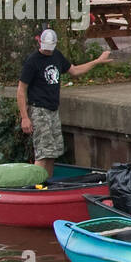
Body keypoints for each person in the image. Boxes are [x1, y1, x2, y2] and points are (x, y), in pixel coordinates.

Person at [17, 29, 112, 175]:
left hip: (53, 110)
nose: (48, 52)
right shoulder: (32, 61)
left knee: (53, 152)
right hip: (39, 110)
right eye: (46, 49)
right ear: (39, 42)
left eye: (50, 49)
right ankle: (34, 187)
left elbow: (75, 71)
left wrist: (98, 61)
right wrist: (25, 117)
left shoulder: (57, 56)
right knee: (43, 152)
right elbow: (21, 90)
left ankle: (46, 184)